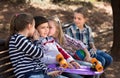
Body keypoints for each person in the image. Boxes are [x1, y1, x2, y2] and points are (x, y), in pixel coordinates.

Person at [8, 13, 64, 78]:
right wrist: (36, 41)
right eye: (34, 27)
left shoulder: (25, 40)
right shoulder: (18, 39)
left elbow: (37, 59)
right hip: (28, 74)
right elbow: (39, 54)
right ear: (29, 26)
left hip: (36, 73)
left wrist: (48, 72)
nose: (35, 30)